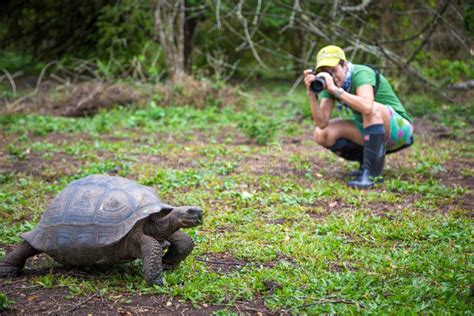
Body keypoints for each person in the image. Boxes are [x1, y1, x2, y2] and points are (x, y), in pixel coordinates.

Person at [303, 45, 414, 189]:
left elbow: (367, 107)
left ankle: (371, 174)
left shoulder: (361, 73)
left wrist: (336, 90)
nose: (331, 76)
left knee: (371, 109)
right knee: (322, 133)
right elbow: (322, 122)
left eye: (333, 70)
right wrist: (311, 93)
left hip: (399, 129)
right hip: (370, 129)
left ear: (344, 64)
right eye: (324, 72)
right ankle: (367, 163)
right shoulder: (328, 84)